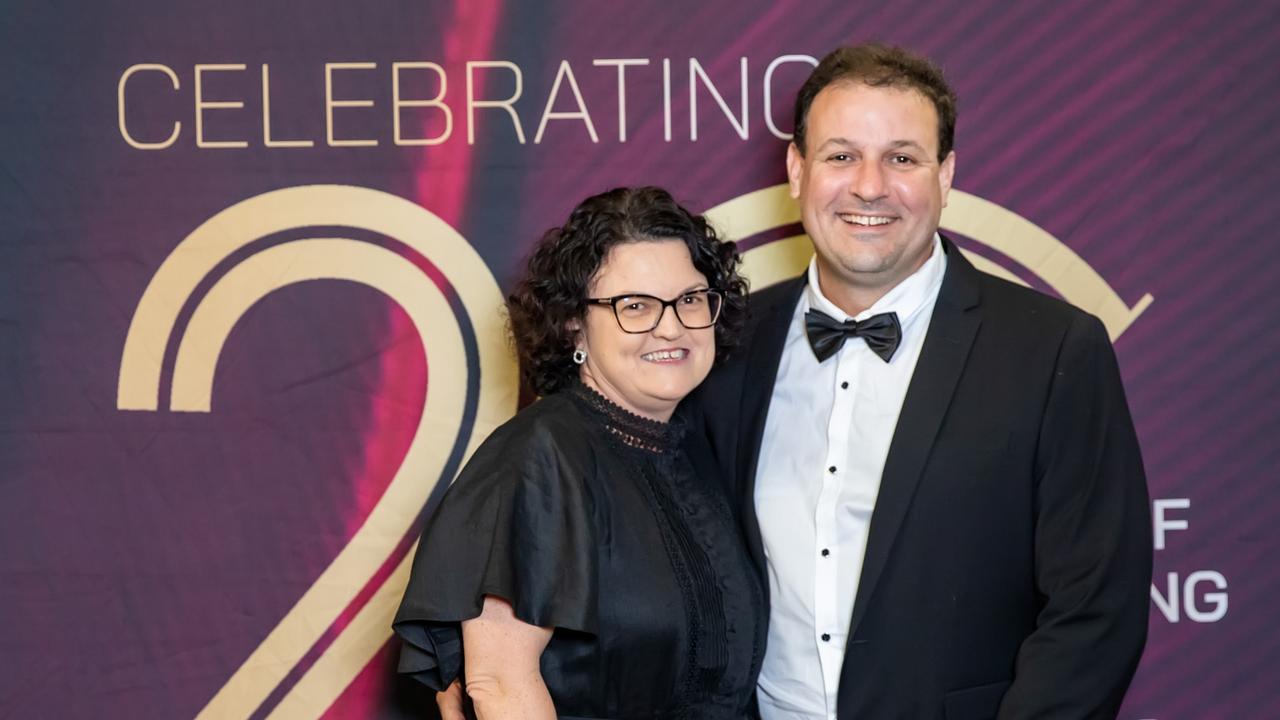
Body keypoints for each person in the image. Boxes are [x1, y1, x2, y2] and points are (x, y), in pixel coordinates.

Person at [685, 44, 1152, 718]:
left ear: (946, 174)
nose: (869, 186)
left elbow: (1096, 612)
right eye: (841, 155)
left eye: (901, 158)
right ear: (797, 170)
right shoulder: (724, 343)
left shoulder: (1053, 351)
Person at [392, 186, 764, 719]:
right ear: (573, 323)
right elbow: (499, 683)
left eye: (689, 298)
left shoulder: (691, 447)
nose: (671, 325)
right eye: (634, 305)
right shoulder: (539, 459)